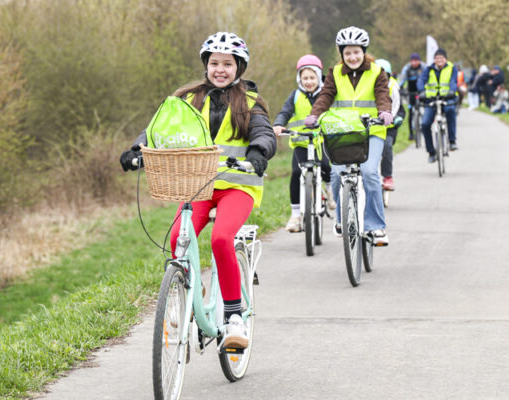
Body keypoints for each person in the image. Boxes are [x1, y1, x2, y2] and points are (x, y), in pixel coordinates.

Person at [119, 32, 276, 349]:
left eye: (227, 64)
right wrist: (138, 149)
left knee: (221, 239)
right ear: (206, 65)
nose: (220, 69)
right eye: (215, 63)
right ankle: (192, 296)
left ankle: (233, 316)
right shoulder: (187, 99)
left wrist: (259, 151)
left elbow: (264, 132)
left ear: (239, 68)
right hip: (196, 185)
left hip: (237, 185)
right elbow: (158, 130)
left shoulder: (250, 102)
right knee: (177, 238)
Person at [303, 26, 392, 246]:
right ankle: (342, 219)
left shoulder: (376, 71)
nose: (352, 57)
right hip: (344, 131)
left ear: (364, 51)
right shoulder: (334, 73)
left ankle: (376, 226)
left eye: (356, 52)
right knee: (336, 174)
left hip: (372, 131)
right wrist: (315, 115)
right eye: (347, 52)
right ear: (341, 53)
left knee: (370, 172)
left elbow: (382, 94)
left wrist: (385, 111)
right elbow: (326, 96)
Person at [273, 54, 334, 232]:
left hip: (321, 140)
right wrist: (278, 124)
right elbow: (285, 111)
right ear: (299, 78)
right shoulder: (296, 95)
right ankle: (296, 214)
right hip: (301, 142)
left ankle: (330, 191)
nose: (308, 81)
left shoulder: (326, 94)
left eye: (312, 77)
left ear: (319, 77)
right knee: (296, 172)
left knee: (326, 166)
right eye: (304, 78)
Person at [418, 47, 459, 161]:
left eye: (441, 58)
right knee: (425, 124)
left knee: (450, 111)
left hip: (447, 97)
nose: (439, 60)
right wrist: (421, 92)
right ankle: (431, 152)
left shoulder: (452, 69)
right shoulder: (428, 69)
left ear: (446, 59)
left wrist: (451, 91)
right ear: (434, 59)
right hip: (431, 99)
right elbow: (421, 80)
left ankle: (452, 141)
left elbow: (453, 81)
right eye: (437, 58)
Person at [375, 59, 406, 191]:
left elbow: (397, 107)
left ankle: (387, 176)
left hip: (389, 126)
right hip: (371, 126)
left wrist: (393, 118)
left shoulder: (394, 88)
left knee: (387, 147)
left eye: (384, 76)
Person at [397, 53, 424, 139]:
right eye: (412, 61)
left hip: (421, 92)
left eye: (416, 61)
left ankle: (423, 126)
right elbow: (402, 80)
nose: (414, 63)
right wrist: (399, 88)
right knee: (411, 113)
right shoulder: (407, 68)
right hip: (411, 92)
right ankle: (411, 133)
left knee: (424, 109)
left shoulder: (423, 67)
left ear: (419, 61)